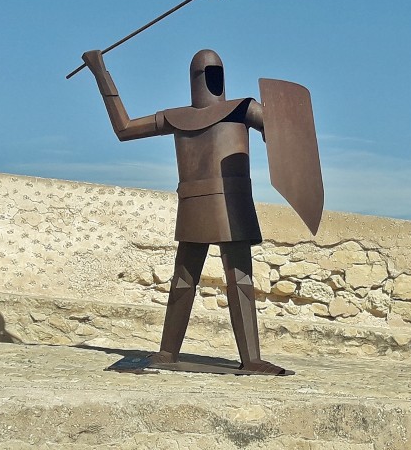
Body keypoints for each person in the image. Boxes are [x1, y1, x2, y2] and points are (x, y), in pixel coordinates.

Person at [82, 48, 288, 375]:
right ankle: (168, 351)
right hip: (195, 203)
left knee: (240, 280)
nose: (213, 78)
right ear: (196, 78)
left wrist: (280, 123)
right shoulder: (177, 116)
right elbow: (124, 129)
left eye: (216, 71)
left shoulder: (243, 109)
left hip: (232, 202)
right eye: (208, 72)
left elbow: (282, 129)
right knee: (184, 280)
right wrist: (100, 73)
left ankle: (250, 358)